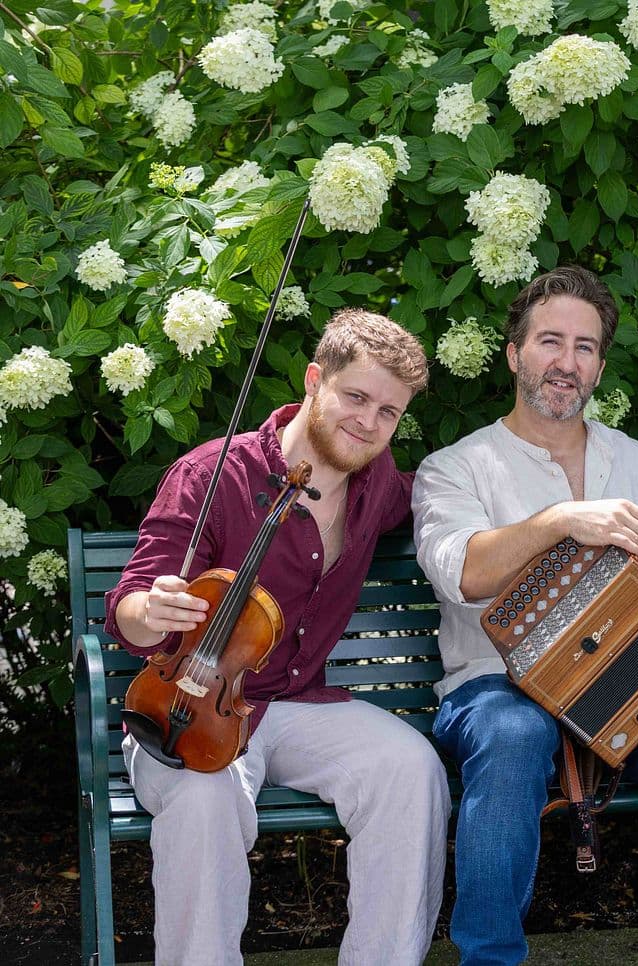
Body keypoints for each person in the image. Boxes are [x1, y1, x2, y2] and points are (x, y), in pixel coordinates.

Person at [412, 265, 638, 966]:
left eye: (583, 347)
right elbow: (462, 571)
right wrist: (565, 519)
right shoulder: (458, 467)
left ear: (600, 365)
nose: (564, 362)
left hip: (630, 679)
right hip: (497, 684)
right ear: (515, 354)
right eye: (549, 342)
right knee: (512, 737)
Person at [105, 308, 450, 966]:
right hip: (191, 706)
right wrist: (151, 612)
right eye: (355, 398)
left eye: (388, 412)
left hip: (297, 707)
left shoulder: (378, 486)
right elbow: (132, 602)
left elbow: (440, 496)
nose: (368, 423)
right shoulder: (211, 477)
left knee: (411, 769)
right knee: (204, 799)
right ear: (314, 379)